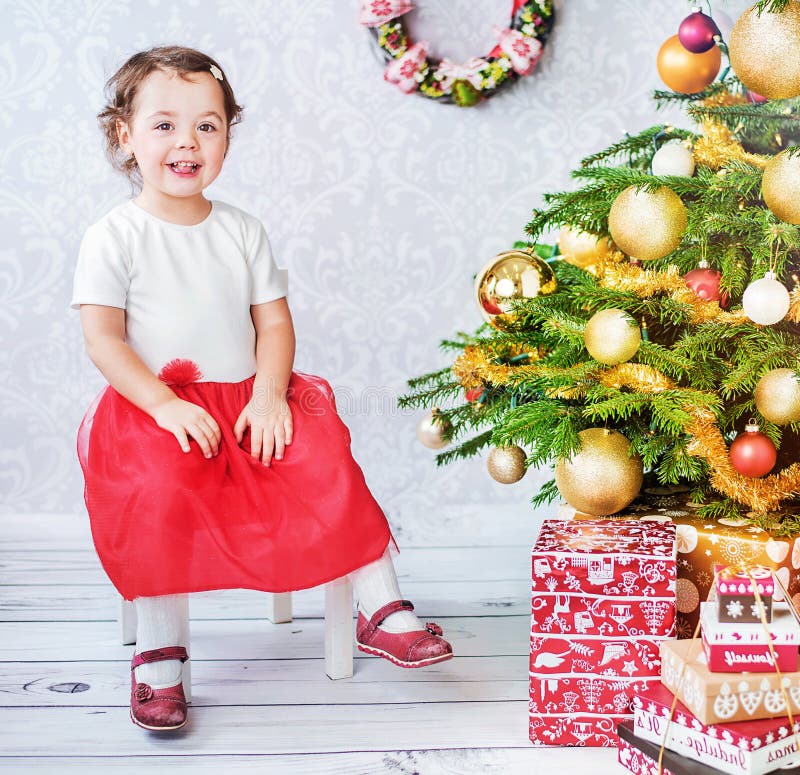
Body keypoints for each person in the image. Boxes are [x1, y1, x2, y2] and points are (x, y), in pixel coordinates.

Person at [71, 45, 452, 733]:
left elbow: (273, 324)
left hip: (251, 400)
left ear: (226, 135)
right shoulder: (114, 235)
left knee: (326, 456)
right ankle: (161, 647)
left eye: (208, 125)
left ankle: (380, 606)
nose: (187, 140)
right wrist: (162, 404)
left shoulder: (241, 230)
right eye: (164, 125)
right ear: (123, 135)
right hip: (159, 407)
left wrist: (272, 393)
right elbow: (104, 339)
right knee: (160, 489)